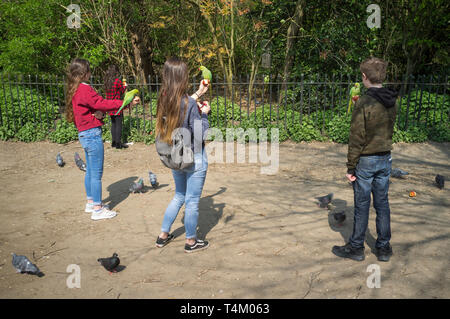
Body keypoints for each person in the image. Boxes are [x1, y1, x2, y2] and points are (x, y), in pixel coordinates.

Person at [332, 57, 398, 262]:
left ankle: (356, 248)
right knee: (382, 204)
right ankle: (384, 248)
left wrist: (351, 166)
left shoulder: (364, 102)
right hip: (385, 158)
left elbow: (357, 138)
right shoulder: (392, 99)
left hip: (366, 161)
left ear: (364, 77)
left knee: (361, 205)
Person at [65, 58, 140, 220]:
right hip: (92, 135)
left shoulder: (75, 89)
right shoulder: (85, 89)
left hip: (85, 134)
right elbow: (102, 103)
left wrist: (98, 114)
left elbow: (92, 108)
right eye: (90, 70)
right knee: (96, 174)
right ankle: (98, 209)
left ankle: (91, 202)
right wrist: (126, 104)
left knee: (90, 171)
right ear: (85, 73)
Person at [155, 57, 211, 253]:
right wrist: (204, 114)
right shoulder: (189, 104)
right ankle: (191, 241)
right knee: (192, 201)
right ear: (182, 77)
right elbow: (202, 132)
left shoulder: (164, 98)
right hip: (194, 157)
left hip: (176, 157)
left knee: (179, 195)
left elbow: (181, 105)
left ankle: (163, 235)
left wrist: (198, 93)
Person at [104, 65, 128, 149]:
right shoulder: (117, 81)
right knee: (118, 124)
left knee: (113, 123)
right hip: (117, 104)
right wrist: (125, 85)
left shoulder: (107, 81)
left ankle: (113, 142)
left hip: (109, 104)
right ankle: (118, 143)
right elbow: (122, 91)